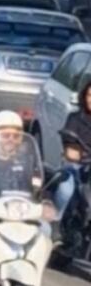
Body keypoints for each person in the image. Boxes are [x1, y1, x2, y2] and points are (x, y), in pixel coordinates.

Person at [54, 82, 91, 218]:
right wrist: (74, 152)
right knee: (65, 189)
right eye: (89, 95)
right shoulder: (75, 118)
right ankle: (56, 221)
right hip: (78, 165)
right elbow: (69, 143)